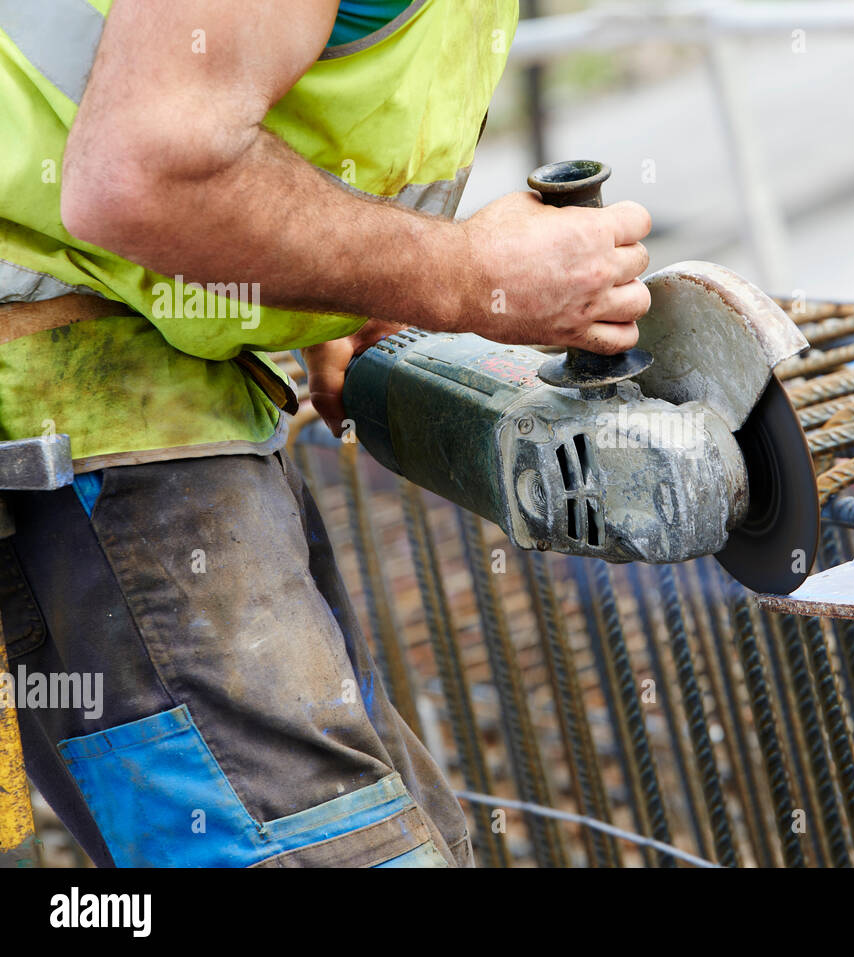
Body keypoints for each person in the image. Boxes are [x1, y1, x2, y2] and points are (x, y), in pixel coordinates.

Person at [0, 0, 650, 867]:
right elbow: (139, 172)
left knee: (412, 837)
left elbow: (226, 91)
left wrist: (320, 290)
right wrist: (464, 274)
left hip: (139, 363)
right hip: (68, 395)